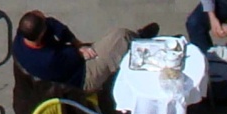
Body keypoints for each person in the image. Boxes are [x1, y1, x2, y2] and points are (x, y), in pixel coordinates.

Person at [12, 11, 157, 93]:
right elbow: (77, 57)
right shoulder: (49, 59)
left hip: (65, 68)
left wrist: (76, 43)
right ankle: (138, 41)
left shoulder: (21, 38)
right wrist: (80, 49)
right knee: (120, 36)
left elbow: (52, 24)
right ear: (41, 33)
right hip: (81, 77)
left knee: (105, 44)